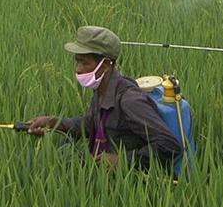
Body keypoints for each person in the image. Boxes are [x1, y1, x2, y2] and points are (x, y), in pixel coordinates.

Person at [28, 26, 181, 170]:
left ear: (106, 64)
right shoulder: (103, 90)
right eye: (77, 61)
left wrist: (122, 160)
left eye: (84, 63)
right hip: (100, 171)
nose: (78, 69)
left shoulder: (130, 101)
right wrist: (54, 123)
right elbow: (89, 125)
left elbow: (169, 145)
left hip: (129, 181)